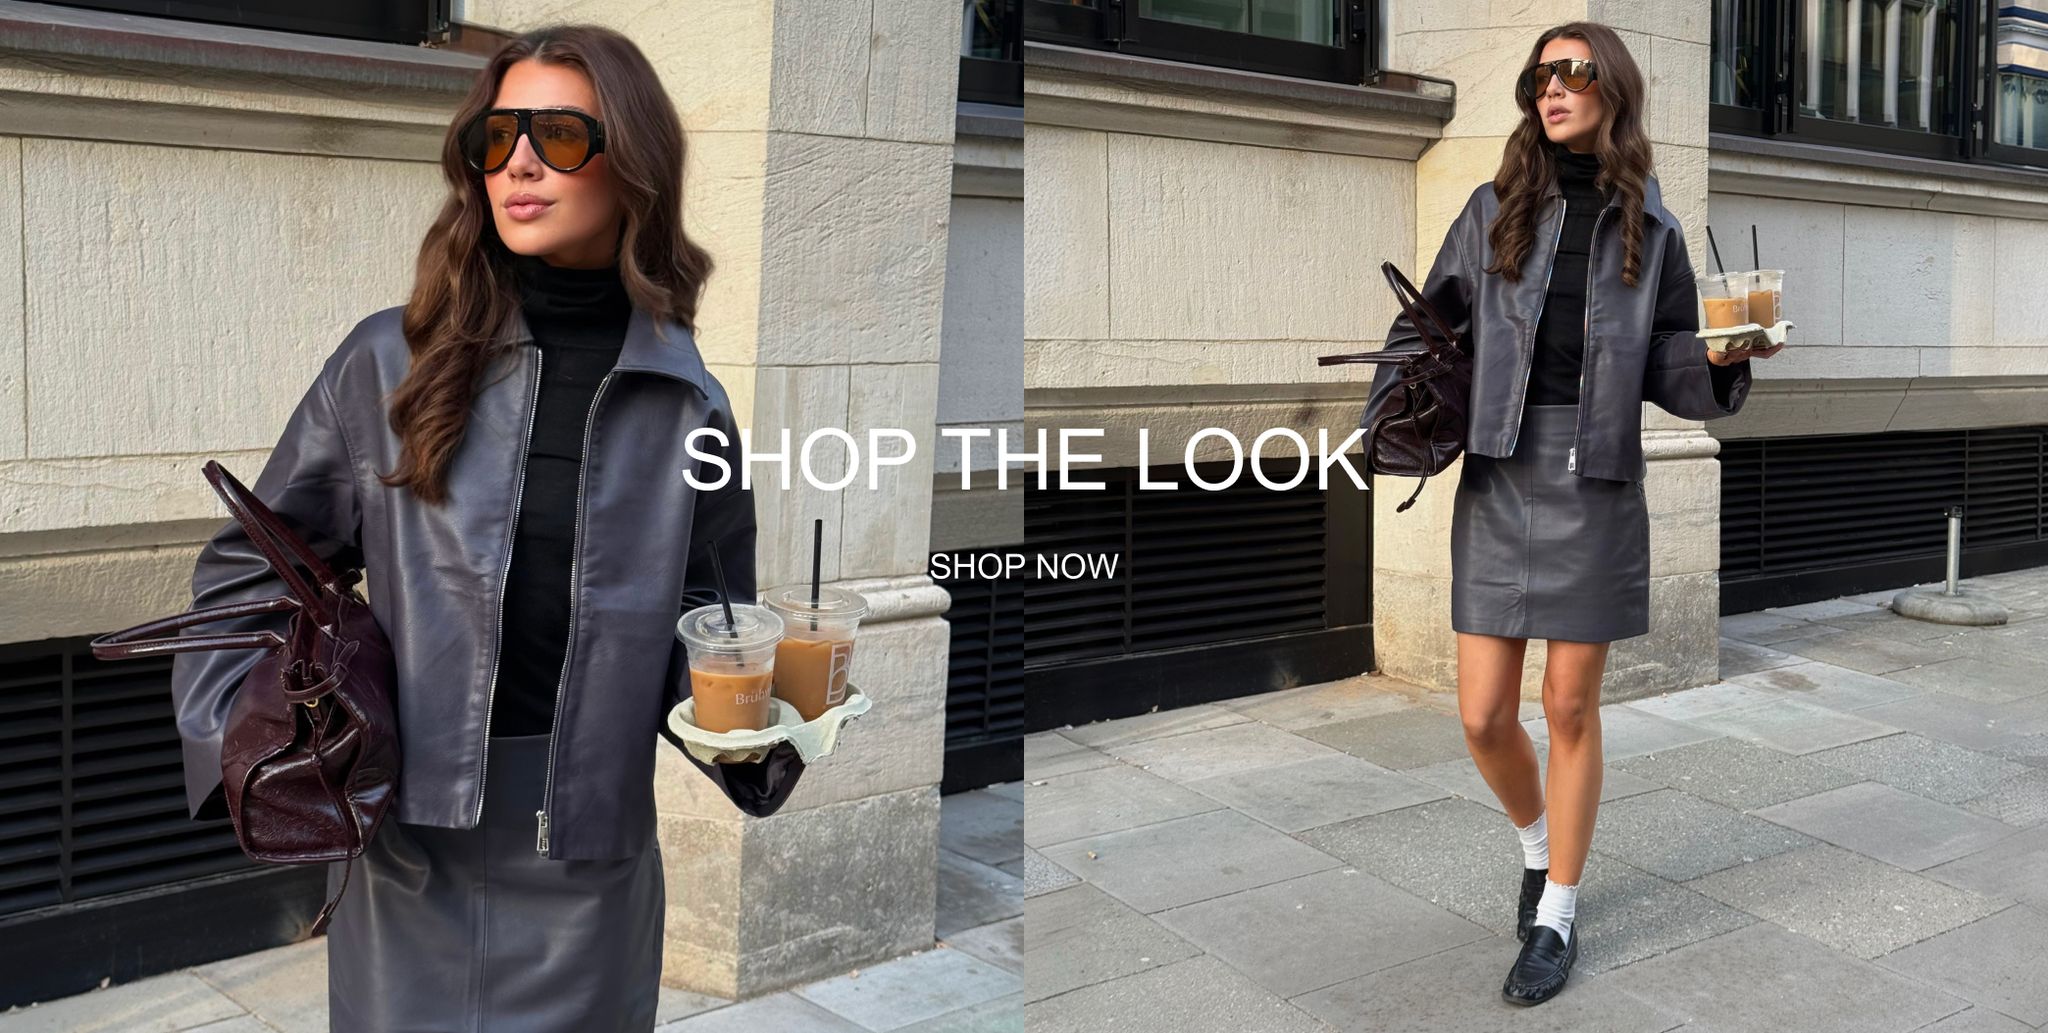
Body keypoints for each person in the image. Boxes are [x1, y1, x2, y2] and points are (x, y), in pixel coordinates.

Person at [167, 24, 760, 1031]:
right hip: (409, 841)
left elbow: (711, 616)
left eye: (559, 135)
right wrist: (254, 731)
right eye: (497, 137)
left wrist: (762, 725)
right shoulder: (387, 363)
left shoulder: (686, 399)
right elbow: (250, 571)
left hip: (589, 851)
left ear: (635, 164)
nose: (519, 163)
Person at [1361, 21, 1782, 1007]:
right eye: (1539, 75)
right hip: (1500, 472)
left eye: (1572, 71)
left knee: (1567, 707)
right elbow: (1427, 321)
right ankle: (1536, 845)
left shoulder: (1653, 228)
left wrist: (1720, 356)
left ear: (1611, 88)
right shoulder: (1492, 207)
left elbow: (1670, 362)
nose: (1550, 88)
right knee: (1480, 714)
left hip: (1594, 477)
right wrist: (1396, 409)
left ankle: (1556, 910)